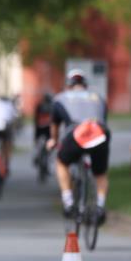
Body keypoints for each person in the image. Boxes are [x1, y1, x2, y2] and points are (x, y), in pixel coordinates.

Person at [47, 69, 110, 224]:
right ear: (85, 85)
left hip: (76, 133)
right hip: (99, 132)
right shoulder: (98, 98)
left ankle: (68, 202)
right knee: (100, 173)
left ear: (69, 85)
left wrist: (53, 140)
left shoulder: (60, 98)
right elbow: (103, 119)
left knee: (61, 163)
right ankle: (100, 206)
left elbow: (54, 125)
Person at [33, 92, 54, 164]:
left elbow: (36, 118)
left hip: (39, 127)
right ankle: (47, 158)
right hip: (49, 127)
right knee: (51, 143)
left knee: (37, 142)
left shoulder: (39, 105)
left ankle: (37, 155)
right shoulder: (52, 106)